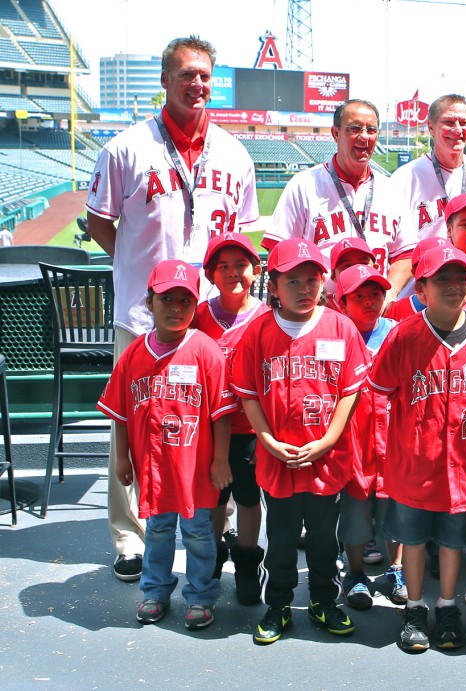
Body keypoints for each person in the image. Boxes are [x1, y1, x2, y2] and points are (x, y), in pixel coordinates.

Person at [86, 36, 258, 582]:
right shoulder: (126, 148)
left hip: (214, 318)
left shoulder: (234, 152)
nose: (197, 84)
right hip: (143, 315)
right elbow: (98, 222)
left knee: (212, 426)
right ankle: (128, 536)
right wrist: (140, 276)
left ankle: (218, 518)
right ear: (165, 80)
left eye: (205, 75)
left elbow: (246, 233)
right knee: (131, 422)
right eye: (186, 74)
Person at [231, 239, 370, 645]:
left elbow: (349, 390)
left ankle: (325, 600)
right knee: (281, 541)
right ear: (273, 286)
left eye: (312, 279)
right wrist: (267, 440)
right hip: (280, 460)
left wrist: (329, 439)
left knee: (326, 541)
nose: (305, 288)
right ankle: (277, 605)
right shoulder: (258, 331)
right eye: (293, 281)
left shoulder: (339, 325)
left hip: (325, 458)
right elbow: (248, 393)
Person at [97, 260, 234, 630]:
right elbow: (120, 414)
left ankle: (201, 594)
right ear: (149, 302)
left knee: (198, 532)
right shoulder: (134, 354)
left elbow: (222, 413)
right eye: (166, 299)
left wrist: (221, 460)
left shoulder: (206, 350)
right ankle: (155, 591)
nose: (176, 308)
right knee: (156, 531)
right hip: (154, 469)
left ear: (194, 304)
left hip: (194, 468)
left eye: (185, 301)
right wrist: (122, 457)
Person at [369, 246, 466, 652]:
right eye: (442, 279)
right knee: (416, 541)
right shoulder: (403, 334)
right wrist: (386, 451)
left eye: (461, 278)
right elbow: (378, 394)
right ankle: (416, 608)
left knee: (455, 542)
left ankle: (448, 606)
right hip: (412, 466)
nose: (453, 287)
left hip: (462, 467)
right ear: (420, 288)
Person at [264, 98, 415, 299]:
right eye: (354, 129)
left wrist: (390, 294)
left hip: (375, 312)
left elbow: (405, 254)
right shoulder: (304, 184)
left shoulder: (391, 190)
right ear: (336, 133)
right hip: (320, 313)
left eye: (371, 130)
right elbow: (279, 251)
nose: (364, 136)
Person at [191, 232, 269, 606]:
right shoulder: (199, 316)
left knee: (249, 496)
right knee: (213, 498)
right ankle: (214, 555)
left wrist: (269, 431)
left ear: (255, 270)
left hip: (251, 427)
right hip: (208, 428)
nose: (233, 273)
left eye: (241, 265)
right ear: (210, 274)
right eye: (223, 266)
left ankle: (247, 562)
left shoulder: (267, 316)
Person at [329, 264, 404, 610]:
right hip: (352, 442)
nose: (369, 301)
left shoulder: (397, 332)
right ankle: (355, 573)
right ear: (341, 301)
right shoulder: (336, 335)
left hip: (392, 438)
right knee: (356, 512)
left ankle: (396, 570)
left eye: (375, 293)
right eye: (358, 296)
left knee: (396, 511)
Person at [390, 94, 466, 243]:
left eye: (463, 122)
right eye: (449, 122)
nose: (457, 130)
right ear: (431, 127)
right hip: (424, 265)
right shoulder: (405, 178)